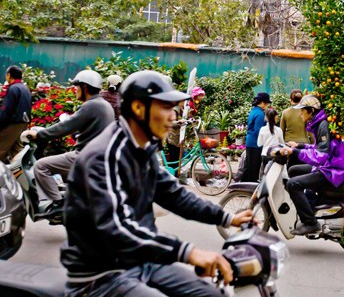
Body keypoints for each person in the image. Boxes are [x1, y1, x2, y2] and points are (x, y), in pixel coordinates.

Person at [60, 70, 253, 297]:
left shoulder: (144, 148)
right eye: (165, 107)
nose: (173, 116)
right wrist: (187, 252)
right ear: (139, 108)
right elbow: (116, 229)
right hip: (101, 274)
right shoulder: (104, 157)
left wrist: (228, 218)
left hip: (141, 262)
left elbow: (173, 194)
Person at [23, 70, 114, 217]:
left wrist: (38, 135)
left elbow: (64, 127)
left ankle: (58, 204)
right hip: (100, 156)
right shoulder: (103, 104)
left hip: (86, 156)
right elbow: (84, 127)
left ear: (85, 87)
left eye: (77, 87)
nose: (75, 90)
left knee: (41, 166)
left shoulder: (90, 106)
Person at [279, 95, 344, 235]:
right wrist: (299, 145)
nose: (300, 114)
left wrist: (295, 151)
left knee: (292, 184)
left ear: (311, 110)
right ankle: (310, 204)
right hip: (328, 167)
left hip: (332, 171)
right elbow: (318, 148)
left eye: (302, 111)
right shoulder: (319, 123)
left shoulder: (323, 125)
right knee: (293, 170)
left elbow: (321, 156)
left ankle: (311, 223)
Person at [0, 66, 32, 162]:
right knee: (17, 151)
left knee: (1, 149)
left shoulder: (13, 88)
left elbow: (6, 109)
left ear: (9, 75)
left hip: (13, 125)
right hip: (23, 124)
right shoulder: (25, 88)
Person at [242, 92, 270, 182]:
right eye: (267, 103)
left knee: (248, 167)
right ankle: (250, 187)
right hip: (255, 143)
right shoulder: (260, 114)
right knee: (254, 168)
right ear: (262, 103)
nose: (267, 105)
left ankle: (243, 186)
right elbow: (259, 131)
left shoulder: (254, 111)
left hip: (250, 142)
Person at [257, 108, 285, 178]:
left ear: (266, 118)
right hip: (275, 155)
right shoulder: (279, 130)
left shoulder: (262, 129)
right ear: (275, 118)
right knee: (274, 176)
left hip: (264, 155)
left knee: (265, 174)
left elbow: (259, 144)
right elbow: (282, 143)